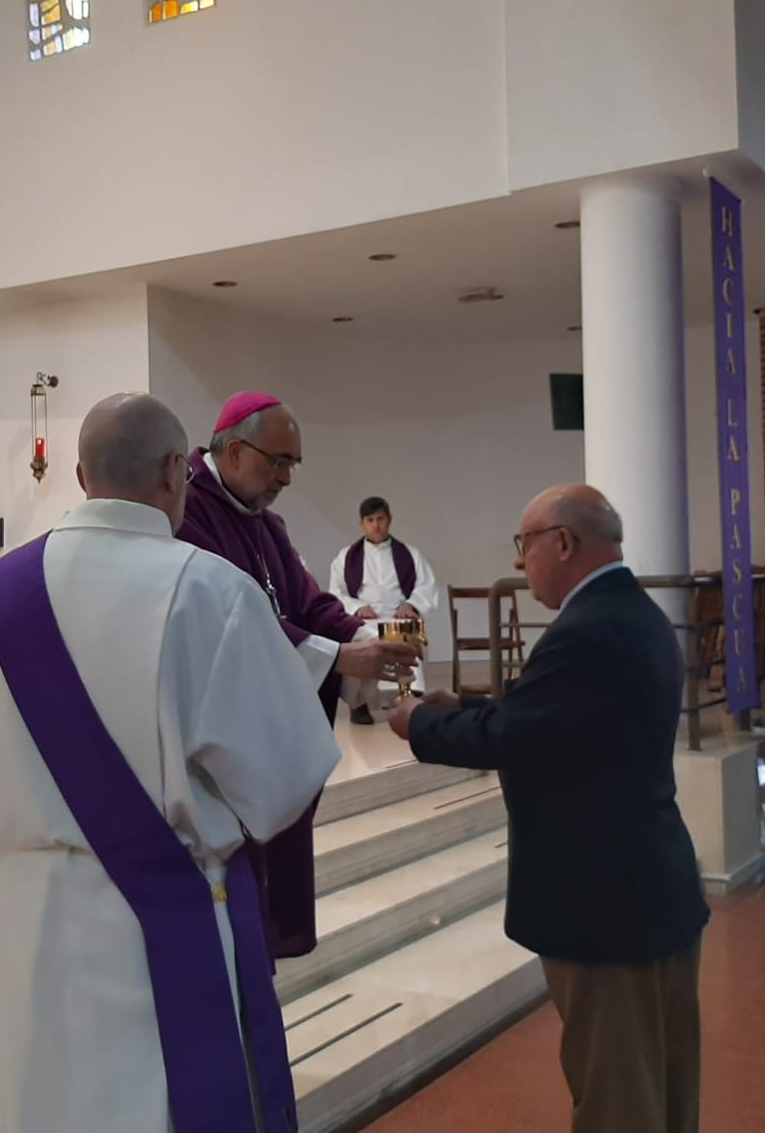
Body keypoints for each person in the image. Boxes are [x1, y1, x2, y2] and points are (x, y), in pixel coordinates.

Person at [0, 393, 340, 1133]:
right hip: (163, 912)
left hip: (31, 915)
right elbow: (284, 779)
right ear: (173, 472)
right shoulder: (211, 591)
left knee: (45, 1101)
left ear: (84, 478)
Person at [387, 484, 708, 1133]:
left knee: (617, 1097)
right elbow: (561, 720)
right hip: (650, 882)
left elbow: (518, 737)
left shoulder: (586, 630)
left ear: (563, 542)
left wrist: (419, 724)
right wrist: (469, 708)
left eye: (524, 544)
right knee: (665, 1083)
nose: (520, 562)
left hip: (602, 901)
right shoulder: (634, 613)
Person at [177, 391, 418, 957]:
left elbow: (307, 604)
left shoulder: (264, 523)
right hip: (220, 741)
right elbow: (225, 626)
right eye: (277, 461)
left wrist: (366, 639)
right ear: (234, 451)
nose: (286, 477)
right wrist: (336, 658)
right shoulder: (188, 513)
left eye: (293, 464)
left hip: (267, 732)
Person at [328, 495, 440, 724]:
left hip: (397, 616)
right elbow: (335, 593)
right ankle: (358, 704)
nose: (376, 525)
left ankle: (410, 695)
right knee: (357, 640)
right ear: (362, 524)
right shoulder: (345, 557)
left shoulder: (410, 554)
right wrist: (358, 608)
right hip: (364, 621)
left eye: (380, 519)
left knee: (408, 632)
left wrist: (411, 604)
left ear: (389, 520)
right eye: (370, 520)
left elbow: (425, 585)